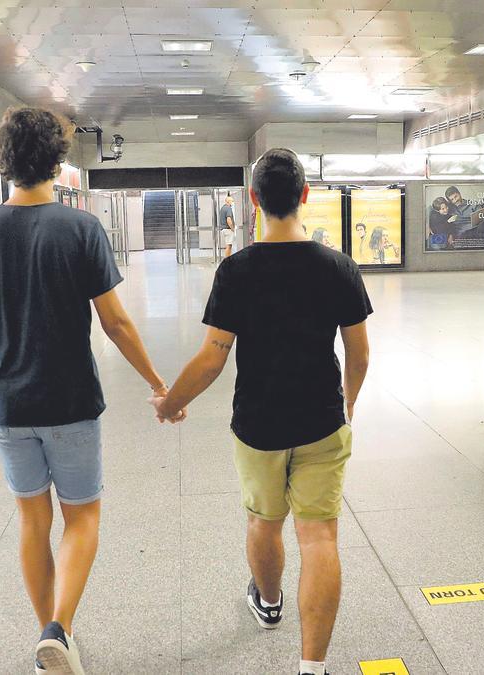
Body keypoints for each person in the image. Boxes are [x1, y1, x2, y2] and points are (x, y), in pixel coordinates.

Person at [0, 107, 176, 675]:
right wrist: (157, 383)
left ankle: (52, 640)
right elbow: (116, 323)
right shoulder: (81, 229)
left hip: (5, 406)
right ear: (57, 159)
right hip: (71, 403)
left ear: (4, 161)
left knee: (32, 522)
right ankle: (60, 629)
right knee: (82, 518)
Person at [152, 148, 372, 675]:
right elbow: (360, 354)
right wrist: (347, 405)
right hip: (322, 419)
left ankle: (269, 604)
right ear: (304, 196)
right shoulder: (338, 266)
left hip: (258, 425)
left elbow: (212, 356)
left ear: (253, 201)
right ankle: (312, 667)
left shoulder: (237, 270)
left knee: (263, 522)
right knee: (319, 535)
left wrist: (171, 403)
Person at [219, 194, 236, 258]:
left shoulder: (222, 208)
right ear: (228, 201)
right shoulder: (228, 208)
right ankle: (227, 260)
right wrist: (232, 228)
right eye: (232, 201)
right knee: (229, 246)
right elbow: (229, 220)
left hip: (223, 229)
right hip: (228, 229)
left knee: (228, 245)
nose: (232, 202)